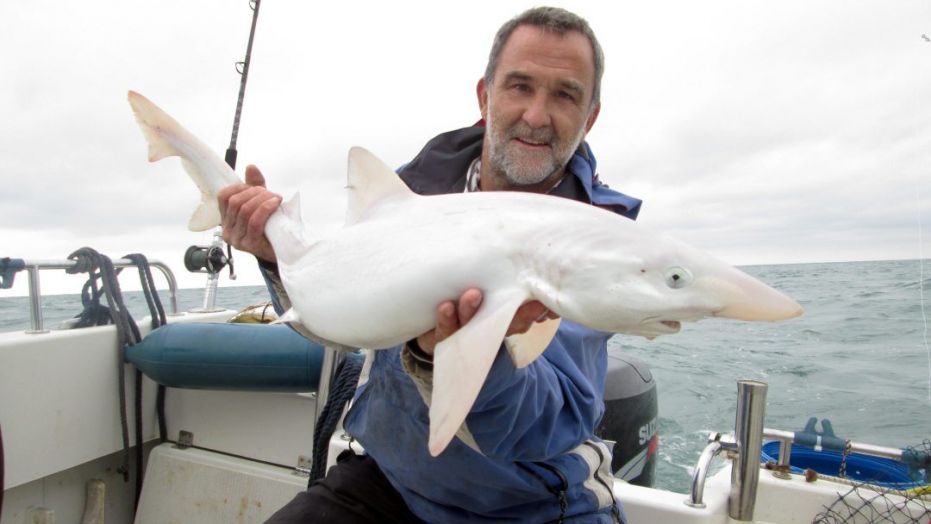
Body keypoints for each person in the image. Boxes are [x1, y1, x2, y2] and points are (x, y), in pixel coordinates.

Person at [219, 7, 642, 523]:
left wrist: (456, 357)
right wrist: (273, 254)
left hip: (531, 506)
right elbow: (345, 319)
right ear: (486, 97)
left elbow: (548, 425)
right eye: (520, 86)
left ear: (590, 116)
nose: (536, 115)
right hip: (391, 479)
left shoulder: (600, 242)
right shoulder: (408, 196)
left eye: (564, 95)